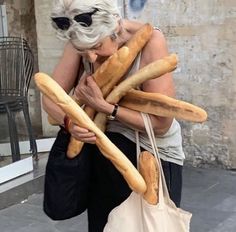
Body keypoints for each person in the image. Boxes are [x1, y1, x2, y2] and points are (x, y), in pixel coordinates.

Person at [43, 0, 185, 231]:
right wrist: (70, 122)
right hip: (104, 150)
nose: (89, 57)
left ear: (115, 28)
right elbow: (50, 97)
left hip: (149, 151)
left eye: (97, 46)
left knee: (150, 225)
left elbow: (161, 124)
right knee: (105, 225)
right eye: (82, 50)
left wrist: (106, 107)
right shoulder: (81, 35)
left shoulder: (150, 41)